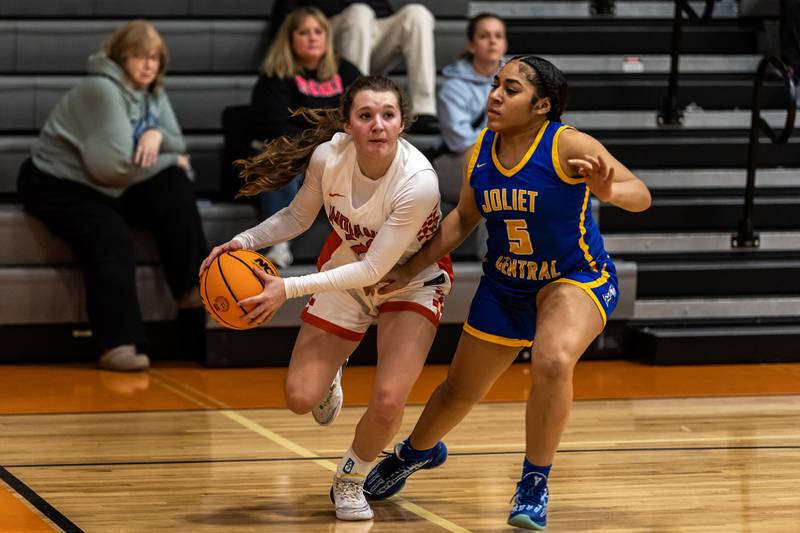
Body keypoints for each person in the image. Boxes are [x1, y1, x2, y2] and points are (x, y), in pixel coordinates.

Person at [362, 56, 652, 530]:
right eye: (495, 85)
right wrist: (409, 267)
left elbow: (641, 193)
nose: (494, 95)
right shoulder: (480, 151)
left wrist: (609, 190)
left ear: (541, 105)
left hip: (575, 277)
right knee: (458, 391)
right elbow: (462, 218)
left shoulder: (566, 143)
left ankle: (534, 480)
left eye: (510, 89)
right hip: (505, 284)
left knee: (553, 358)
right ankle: (416, 452)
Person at [199, 75, 452, 521]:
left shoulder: (419, 181)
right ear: (347, 123)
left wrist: (288, 288)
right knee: (300, 398)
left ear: (402, 124)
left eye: (388, 115)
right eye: (366, 115)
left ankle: (350, 480)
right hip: (347, 269)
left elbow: (378, 269)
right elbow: (297, 217)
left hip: (412, 278)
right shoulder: (328, 157)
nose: (377, 124)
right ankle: (335, 365)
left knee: (390, 398)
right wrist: (242, 243)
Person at [16, 20, 208, 372]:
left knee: (174, 187)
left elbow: (177, 142)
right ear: (121, 58)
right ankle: (116, 343)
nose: (149, 65)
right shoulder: (100, 89)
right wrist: (170, 156)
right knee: (110, 236)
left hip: (110, 182)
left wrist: (154, 133)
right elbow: (111, 168)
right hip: (58, 182)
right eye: (139, 56)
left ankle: (193, 301)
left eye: (155, 57)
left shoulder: (153, 91)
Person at [250, 6, 361, 268]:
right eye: (303, 32)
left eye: (318, 31)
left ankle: (366, 242)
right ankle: (278, 244)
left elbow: (363, 112)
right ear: (289, 39)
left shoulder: (345, 71)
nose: (312, 37)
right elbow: (275, 126)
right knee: (280, 158)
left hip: (339, 150)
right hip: (296, 151)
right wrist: (317, 148)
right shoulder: (275, 77)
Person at [268, 1, 439, 132]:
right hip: (331, 31)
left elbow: (383, 11)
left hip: (368, 32)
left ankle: (424, 109)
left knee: (417, 14)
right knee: (359, 13)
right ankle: (361, 104)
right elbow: (285, 20)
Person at [436, 12, 507, 205]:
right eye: (484, 36)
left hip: (508, 155)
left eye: (498, 36)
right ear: (471, 45)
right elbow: (460, 141)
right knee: (493, 181)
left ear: (505, 45)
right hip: (459, 159)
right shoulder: (453, 87)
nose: (492, 41)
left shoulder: (519, 80)